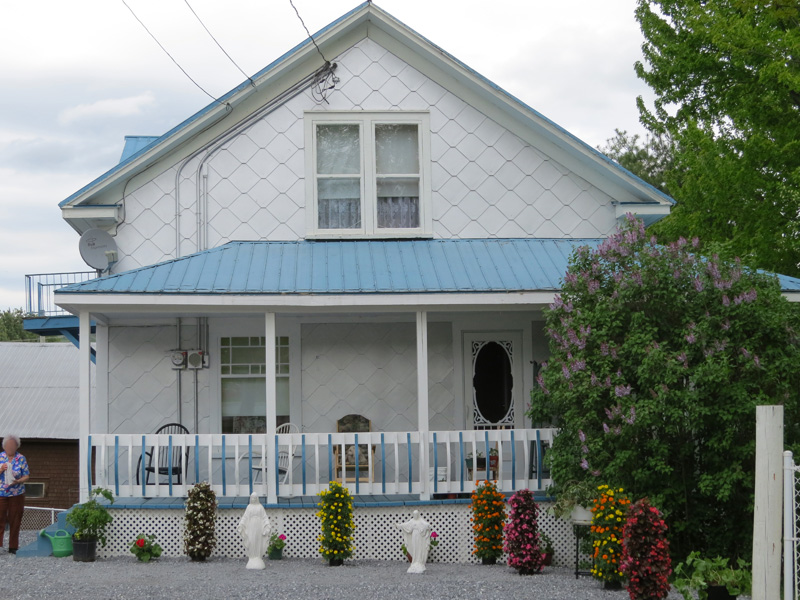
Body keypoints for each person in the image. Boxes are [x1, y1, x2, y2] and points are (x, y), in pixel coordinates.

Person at [0, 435, 30, 554]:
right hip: (1, 493)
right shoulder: (0, 457)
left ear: (17, 446)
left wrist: (18, 481)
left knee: (15, 519)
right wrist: (1, 469)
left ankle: (13, 546)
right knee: (0, 518)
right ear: (4, 446)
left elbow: (26, 475)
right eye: (8, 445)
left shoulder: (21, 458)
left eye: (13, 445)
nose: (10, 447)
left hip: (17, 493)